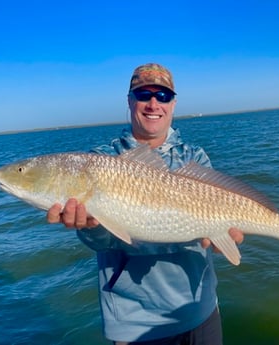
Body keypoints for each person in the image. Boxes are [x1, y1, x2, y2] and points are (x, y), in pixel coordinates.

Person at [47, 63, 243, 345]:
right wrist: (90, 227)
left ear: (173, 104)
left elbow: (214, 218)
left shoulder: (194, 157)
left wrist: (221, 233)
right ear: (129, 101)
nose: (153, 104)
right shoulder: (102, 160)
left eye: (162, 96)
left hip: (199, 310)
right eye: (143, 95)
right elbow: (102, 242)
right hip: (134, 322)